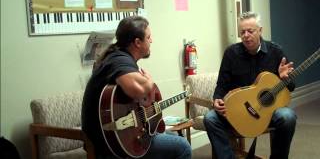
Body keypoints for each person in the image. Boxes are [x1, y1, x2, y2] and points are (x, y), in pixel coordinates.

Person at [81, 16, 192, 159]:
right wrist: (149, 80)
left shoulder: (116, 56)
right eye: (148, 37)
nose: (152, 41)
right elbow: (137, 90)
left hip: (115, 136)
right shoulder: (119, 60)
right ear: (137, 42)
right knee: (183, 147)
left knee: (168, 134)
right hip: (111, 144)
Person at [204, 11, 296, 159]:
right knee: (210, 118)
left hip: (267, 112)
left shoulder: (276, 52)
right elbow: (221, 84)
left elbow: (291, 87)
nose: (246, 35)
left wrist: (285, 78)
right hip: (238, 109)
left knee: (288, 116)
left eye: (250, 31)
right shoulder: (231, 53)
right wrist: (217, 99)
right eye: (242, 32)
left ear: (260, 30)